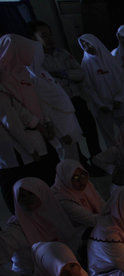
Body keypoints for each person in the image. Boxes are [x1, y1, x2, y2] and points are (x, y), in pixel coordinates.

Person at [31, 21, 101, 162]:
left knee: (90, 130)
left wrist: (62, 74)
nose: (49, 39)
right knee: (71, 136)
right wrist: (63, 75)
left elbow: (80, 74)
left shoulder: (62, 53)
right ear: (34, 39)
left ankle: (97, 160)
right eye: (44, 36)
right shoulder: (36, 61)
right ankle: (81, 163)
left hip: (76, 98)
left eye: (50, 35)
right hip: (59, 106)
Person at [0, 35, 59, 184]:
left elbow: (36, 100)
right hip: (25, 141)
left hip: (39, 132)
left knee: (52, 174)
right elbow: (12, 117)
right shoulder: (4, 78)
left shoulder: (23, 72)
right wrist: (36, 132)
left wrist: (47, 122)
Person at [0, 178, 78, 276]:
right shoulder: (16, 229)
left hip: (65, 273)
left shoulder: (58, 213)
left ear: (42, 193)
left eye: (31, 194)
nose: (26, 199)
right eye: (21, 196)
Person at [0, 81, 52, 214]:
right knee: (21, 191)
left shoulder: (5, 90)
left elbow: (20, 112)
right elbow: (12, 124)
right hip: (16, 154)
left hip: (10, 156)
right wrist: (30, 149)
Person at [78, 34, 124, 148]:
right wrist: (101, 104)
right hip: (103, 108)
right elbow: (88, 88)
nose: (87, 47)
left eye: (88, 43)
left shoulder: (111, 59)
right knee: (110, 137)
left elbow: (123, 79)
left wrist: (119, 98)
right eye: (84, 45)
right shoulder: (85, 64)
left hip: (120, 102)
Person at [51, 159, 104, 229]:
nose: (81, 181)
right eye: (75, 177)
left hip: (96, 222)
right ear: (66, 178)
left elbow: (101, 203)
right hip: (77, 231)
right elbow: (90, 220)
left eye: (83, 174)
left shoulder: (87, 185)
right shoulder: (61, 196)